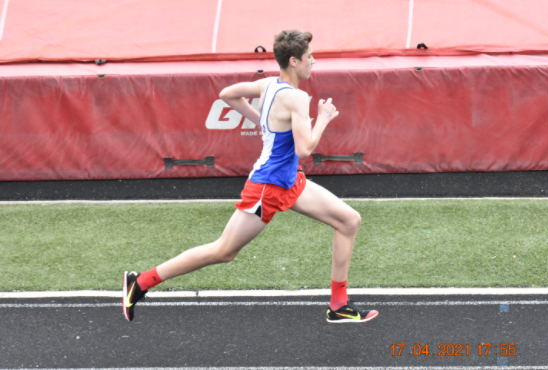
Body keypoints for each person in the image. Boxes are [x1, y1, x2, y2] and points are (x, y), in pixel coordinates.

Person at [123, 30, 378, 324]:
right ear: (294, 61)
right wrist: (322, 118)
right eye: (310, 57)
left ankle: (339, 305)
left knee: (349, 221)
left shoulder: (268, 84)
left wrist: (263, 123)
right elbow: (305, 148)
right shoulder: (296, 98)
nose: (314, 62)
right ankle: (140, 283)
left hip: (290, 181)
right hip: (267, 187)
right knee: (223, 251)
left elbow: (227, 94)